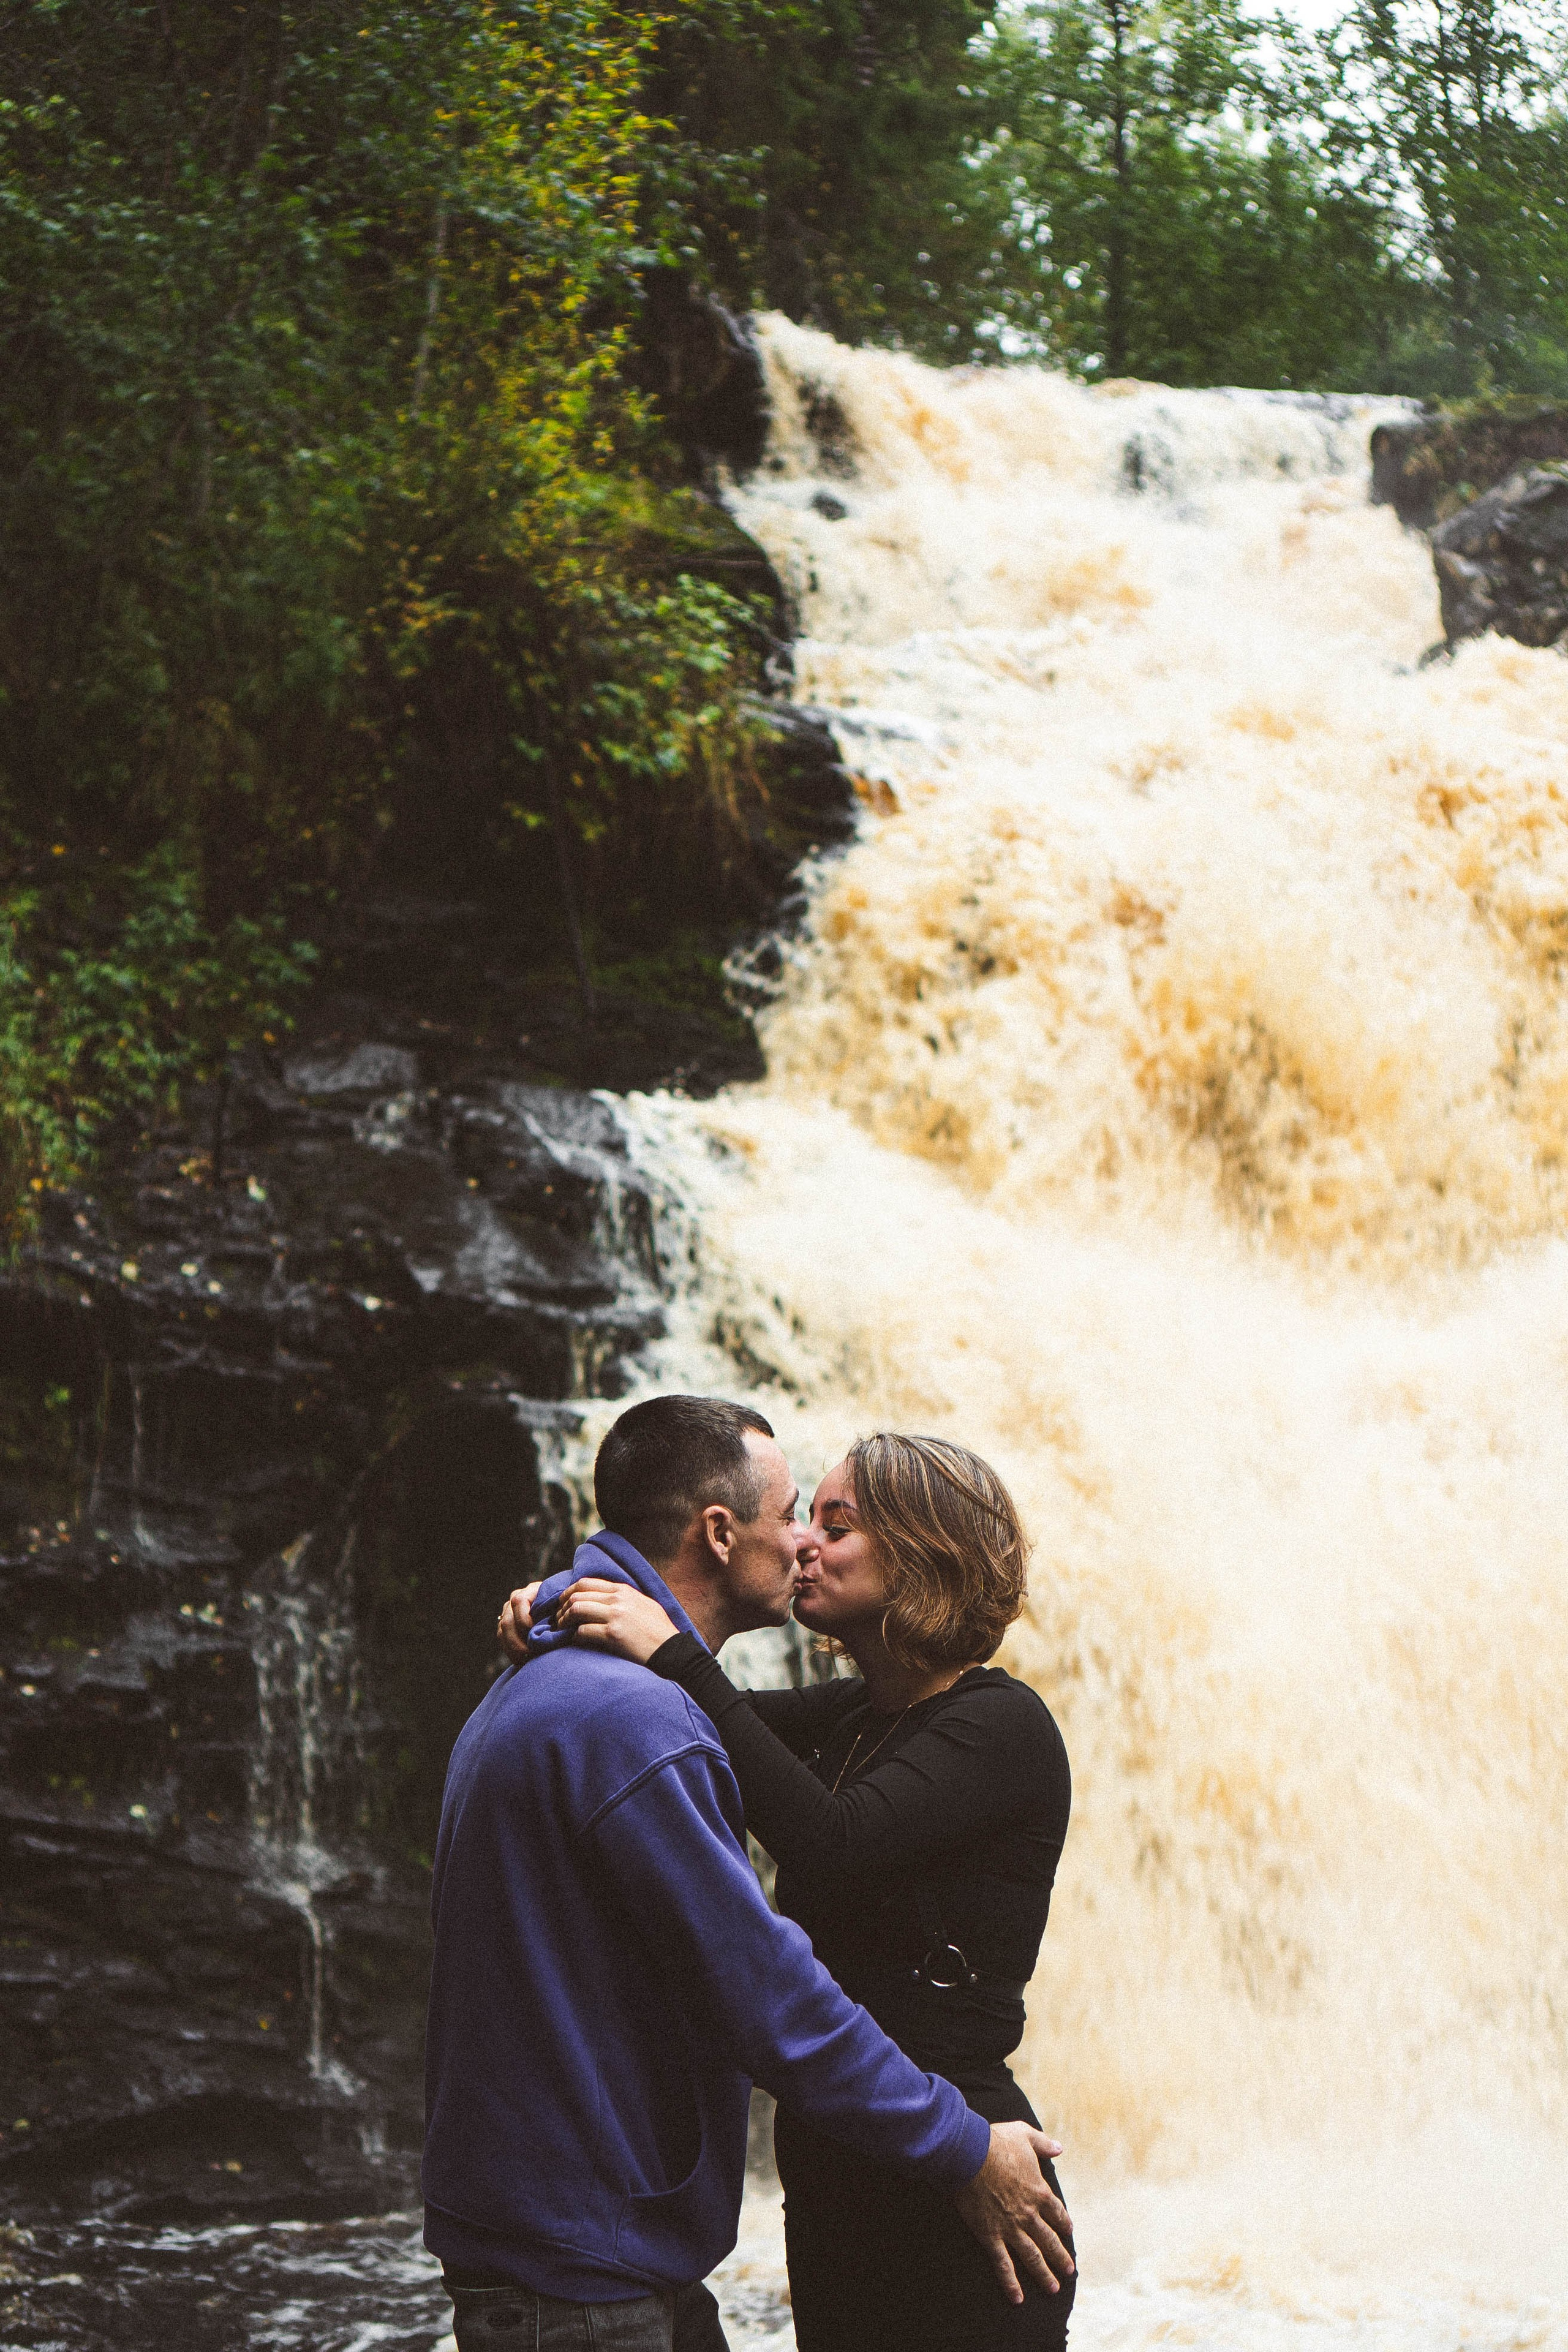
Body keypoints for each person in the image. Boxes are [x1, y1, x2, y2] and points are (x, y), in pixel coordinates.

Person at [428, 1395, 1073, 2352]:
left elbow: (826, 1835)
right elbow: (699, 1724)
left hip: (956, 2164)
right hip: (848, 2165)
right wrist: (565, 1600)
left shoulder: (999, 1724)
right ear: (720, 1533)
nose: (806, 1543)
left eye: (835, 1524)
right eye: (799, 1517)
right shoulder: (844, 1717)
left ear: (924, 1555)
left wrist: (669, 1648)